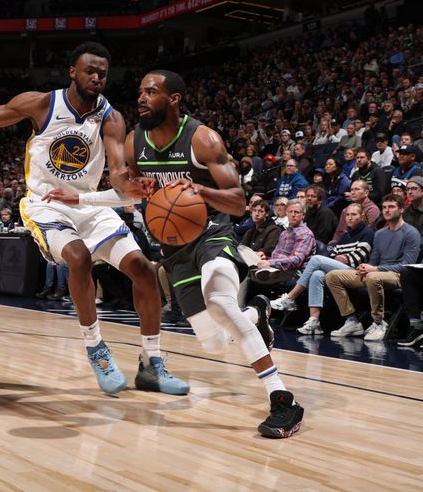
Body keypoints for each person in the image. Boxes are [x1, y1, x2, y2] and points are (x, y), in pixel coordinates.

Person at [0, 42, 190, 397]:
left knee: (144, 270)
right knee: (78, 257)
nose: (96, 77)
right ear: (73, 71)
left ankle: (151, 364)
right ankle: (96, 348)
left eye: (102, 73)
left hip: (87, 204)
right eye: (90, 70)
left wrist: (131, 183)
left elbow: (116, 172)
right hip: (45, 204)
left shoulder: (111, 117)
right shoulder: (41, 103)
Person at [45, 70, 303, 438]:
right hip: (174, 247)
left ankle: (282, 400)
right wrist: (82, 198)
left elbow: (239, 203)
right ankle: (256, 313)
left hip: (213, 232)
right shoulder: (136, 141)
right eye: (140, 91)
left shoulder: (203, 139)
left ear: (174, 99)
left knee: (219, 302)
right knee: (213, 341)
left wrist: (199, 190)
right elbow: (131, 193)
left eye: (151, 91)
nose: (142, 97)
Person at [325, 194, 420, 341]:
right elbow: (374, 260)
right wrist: (365, 266)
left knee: (372, 277)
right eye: (384, 207)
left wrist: (375, 269)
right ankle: (351, 320)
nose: (386, 210)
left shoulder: (411, 233)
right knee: (332, 276)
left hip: (398, 275)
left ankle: (378, 322)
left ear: (401, 209)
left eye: (391, 207)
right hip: (376, 272)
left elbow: (406, 266)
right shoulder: (380, 233)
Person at [271, 203, 374, 334]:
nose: (349, 217)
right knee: (317, 274)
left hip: (357, 272)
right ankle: (314, 321)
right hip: (341, 269)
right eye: (347, 214)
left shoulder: (367, 233)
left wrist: (343, 258)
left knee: (316, 260)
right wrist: (338, 257)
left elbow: (360, 257)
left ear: (362, 216)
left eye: (354, 214)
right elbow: (332, 253)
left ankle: (291, 298)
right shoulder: (345, 234)